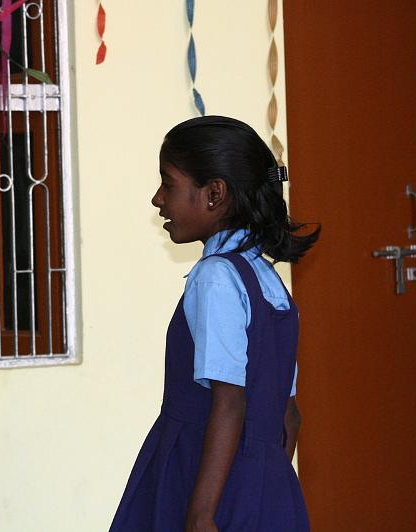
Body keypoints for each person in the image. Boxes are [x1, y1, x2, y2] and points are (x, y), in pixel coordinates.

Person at [110, 116, 319, 532]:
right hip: (264, 483)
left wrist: (202, 514)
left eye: (168, 184)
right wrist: (263, 484)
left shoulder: (215, 277)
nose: (157, 199)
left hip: (199, 476)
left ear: (214, 194)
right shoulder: (266, 278)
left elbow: (229, 401)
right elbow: (288, 415)